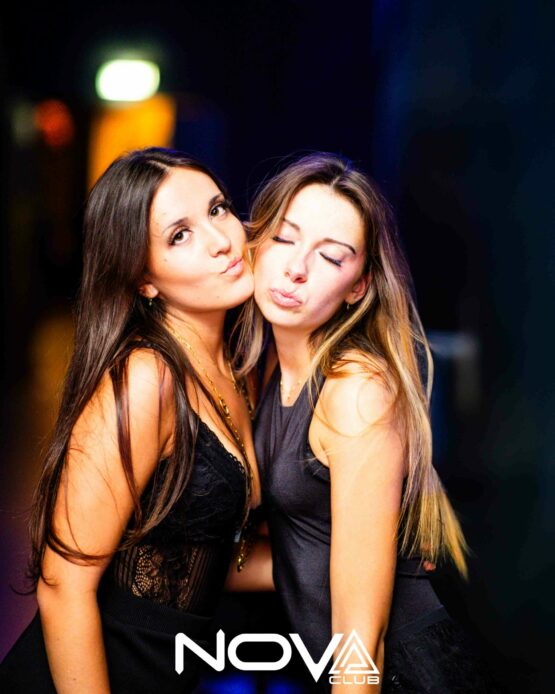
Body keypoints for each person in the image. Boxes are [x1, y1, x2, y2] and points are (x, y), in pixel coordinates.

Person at [0, 147, 269, 693]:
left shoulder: (238, 367)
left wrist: (360, 555)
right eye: (180, 235)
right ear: (144, 279)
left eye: (217, 209)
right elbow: (63, 585)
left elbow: (206, 559)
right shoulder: (146, 378)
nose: (222, 240)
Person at [241, 152, 502, 692]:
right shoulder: (268, 370)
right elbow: (302, 553)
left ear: (358, 287)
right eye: (285, 238)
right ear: (257, 241)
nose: (296, 268)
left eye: (330, 257)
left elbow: (363, 636)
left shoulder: (356, 390)